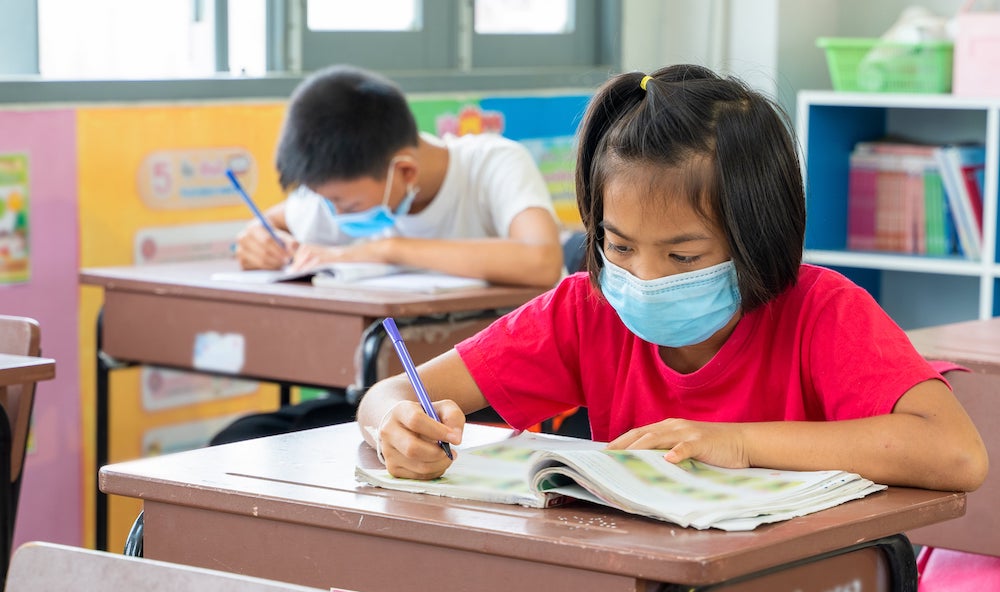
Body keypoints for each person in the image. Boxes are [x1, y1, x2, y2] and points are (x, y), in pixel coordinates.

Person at [357, 64, 989, 493]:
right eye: (619, 245)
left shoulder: (822, 311)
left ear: (756, 235)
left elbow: (956, 453)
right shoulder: (589, 306)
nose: (644, 277)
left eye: (683, 257)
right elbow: (389, 394)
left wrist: (737, 443)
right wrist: (396, 425)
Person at [212, 63, 564, 445]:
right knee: (243, 438)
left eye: (341, 202)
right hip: (383, 396)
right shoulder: (347, 191)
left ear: (406, 172)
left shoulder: (493, 164)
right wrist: (258, 240)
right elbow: (276, 223)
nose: (334, 213)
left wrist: (388, 249)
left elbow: (541, 259)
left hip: (491, 402)